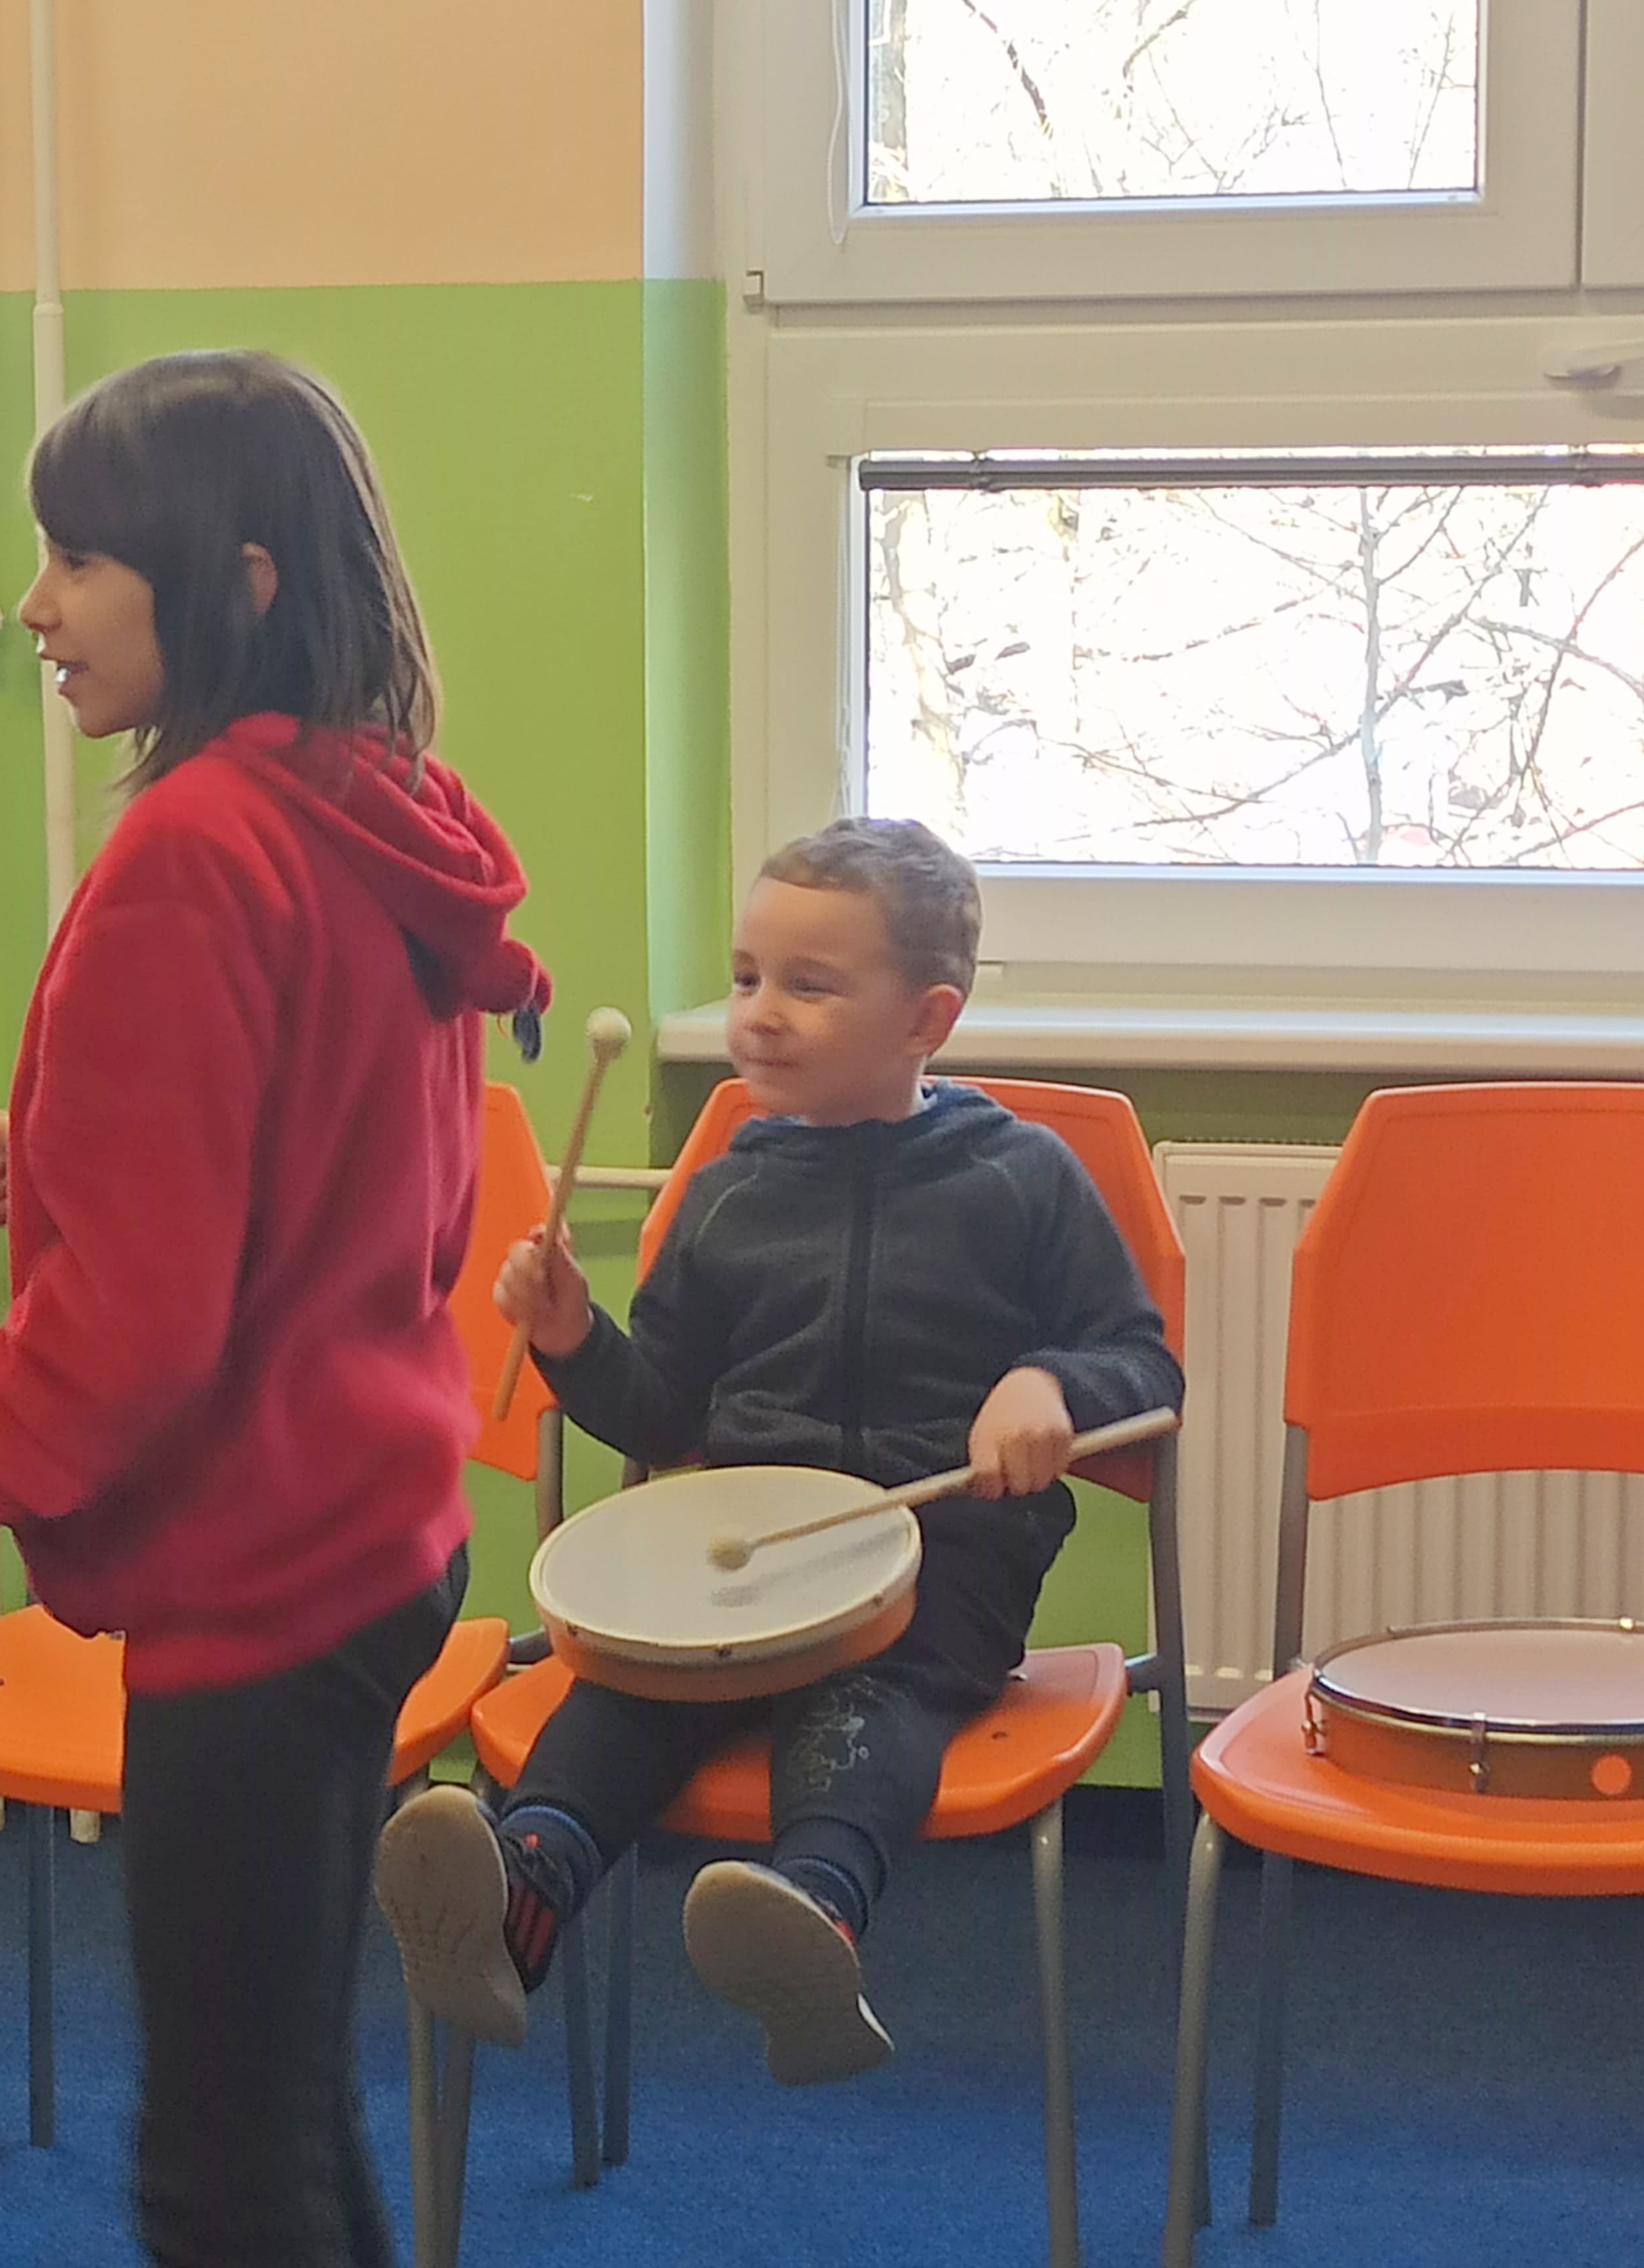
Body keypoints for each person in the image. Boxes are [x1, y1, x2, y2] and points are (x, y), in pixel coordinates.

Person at [0, 349, 551, 2268]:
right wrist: (75, 1146)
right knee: (282, 2102)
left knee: (219, 2169)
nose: (31, 609)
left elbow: (137, 1332)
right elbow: (380, 1180)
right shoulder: (374, 801)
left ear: (235, 584)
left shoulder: (193, 849)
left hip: (261, 1569)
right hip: (380, 1529)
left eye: (78, 561)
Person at [376, 817, 1183, 2087]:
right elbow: (661, 1417)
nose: (759, 1013)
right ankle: (523, 1892)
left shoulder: (1022, 1178)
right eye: (748, 976)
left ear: (926, 1018)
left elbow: (1141, 1362)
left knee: (865, 1704)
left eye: (809, 986)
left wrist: (1050, 1386)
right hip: (743, 1555)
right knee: (630, 1693)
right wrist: (575, 1338)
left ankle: (812, 1921)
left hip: (941, 1562)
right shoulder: (727, 1193)